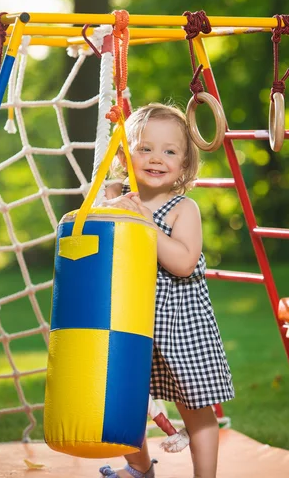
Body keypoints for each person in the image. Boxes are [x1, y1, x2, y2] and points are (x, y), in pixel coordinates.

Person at [99, 103, 234, 478]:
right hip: (131, 322)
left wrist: (145, 225)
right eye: (145, 148)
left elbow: (183, 262)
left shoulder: (182, 209)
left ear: (185, 164)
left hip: (178, 327)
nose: (156, 158)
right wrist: (112, 206)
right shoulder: (118, 198)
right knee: (122, 403)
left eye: (169, 151)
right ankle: (140, 468)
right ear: (125, 155)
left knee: (196, 408)